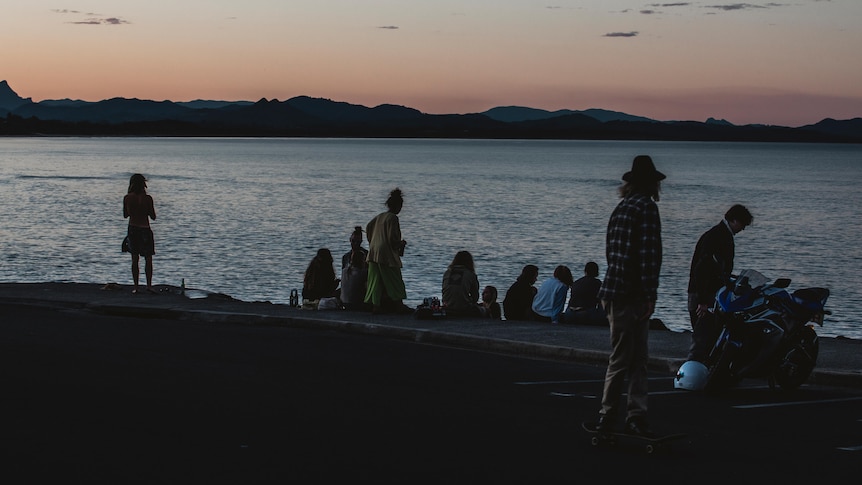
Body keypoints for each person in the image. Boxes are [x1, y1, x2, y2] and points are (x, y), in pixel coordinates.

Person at [595, 155, 665, 437]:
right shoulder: (646, 208)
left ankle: (614, 415)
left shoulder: (621, 208)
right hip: (632, 294)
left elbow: (611, 252)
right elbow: (649, 256)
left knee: (624, 357)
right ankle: (622, 415)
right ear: (652, 185)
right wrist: (650, 294)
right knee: (632, 359)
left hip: (613, 290)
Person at [686, 204, 753, 362]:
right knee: (703, 337)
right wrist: (702, 301)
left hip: (705, 292)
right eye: (742, 224)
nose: (743, 229)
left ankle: (701, 368)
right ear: (734, 220)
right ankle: (697, 369)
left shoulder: (717, 234)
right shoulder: (719, 237)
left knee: (706, 336)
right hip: (705, 294)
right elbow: (702, 270)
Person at [364, 188, 411, 314]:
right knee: (395, 279)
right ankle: (399, 305)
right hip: (386, 254)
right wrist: (401, 244)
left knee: (375, 281)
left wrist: (373, 241)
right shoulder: (393, 218)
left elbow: (368, 227)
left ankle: (376, 305)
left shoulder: (379, 217)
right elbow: (392, 239)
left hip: (373, 252)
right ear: (398, 205)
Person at [123, 173, 157, 294]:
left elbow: (125, 215)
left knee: (134, 259)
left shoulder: (127, 197)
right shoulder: (148, 198)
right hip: (145, 228)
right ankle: (149, 285)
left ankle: (136, 287)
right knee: (148, 259)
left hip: (133, 229)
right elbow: (153, 216)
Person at [442, 251, 484, 317]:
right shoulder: (470, 274)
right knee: (484, 310)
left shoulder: (447, 272)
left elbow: (444, 291)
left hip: (447, 307)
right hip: (464, 309)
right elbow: (475, 296)